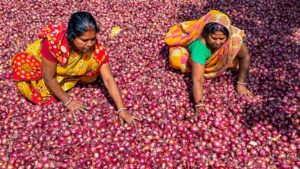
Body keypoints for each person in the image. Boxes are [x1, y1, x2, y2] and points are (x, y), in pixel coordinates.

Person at [11, 11, 138, 126]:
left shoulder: (97, 48)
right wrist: (67, 101)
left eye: (93, 39)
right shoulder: (53, 44)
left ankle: (70, 76)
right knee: (42, 93)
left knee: (94, 72)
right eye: (84, 40)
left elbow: (109, 80)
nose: (89, 44)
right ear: (72, 36)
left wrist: (122, 109)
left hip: (66, 69)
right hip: (44, 66)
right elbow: (48, 77)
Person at [165, 10, 252, 114]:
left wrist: (241, 83)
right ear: (206, 35)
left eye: (222, 38)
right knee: (177, 60)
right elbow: (198, 80)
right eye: (214, 38)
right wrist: (199, 104)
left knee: (234, 52)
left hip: (220, 50)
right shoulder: (199, 48)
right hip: (196, 53)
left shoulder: (233, 39)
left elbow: (245, 57)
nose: (218, 42)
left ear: (227, 35)